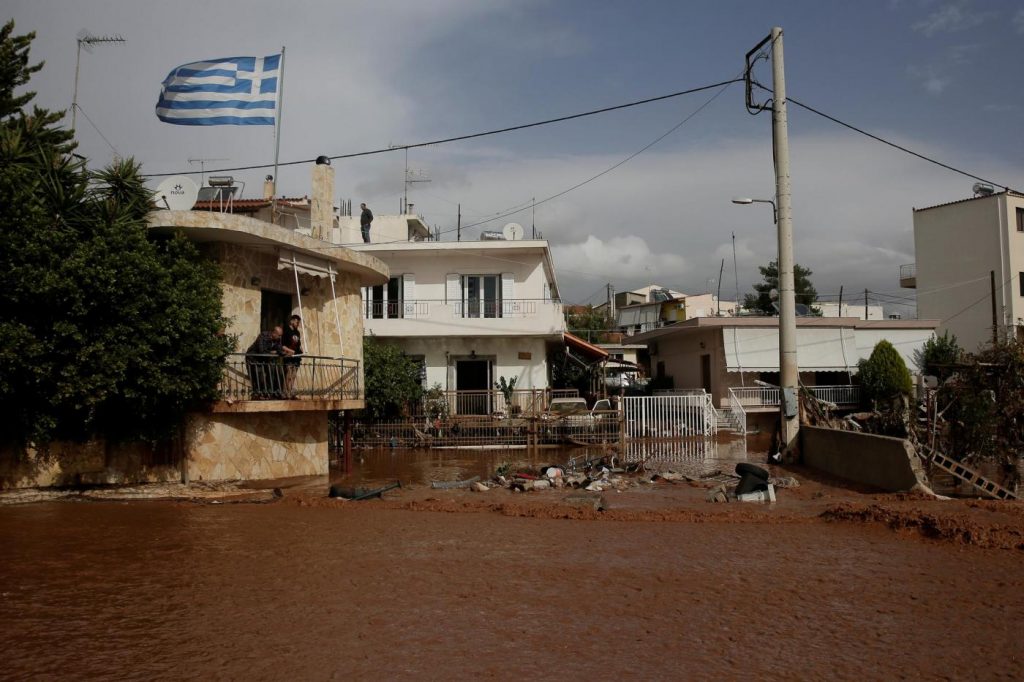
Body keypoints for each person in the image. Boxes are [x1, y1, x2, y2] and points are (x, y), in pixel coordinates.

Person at [245, 325, 286, 399]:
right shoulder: (263, 336)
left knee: (270, 374)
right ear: (274, 333)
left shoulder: (277, 339)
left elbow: (279, 348)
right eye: (279, 335)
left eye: (281, 336)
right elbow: (261, 351)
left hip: (263, 359)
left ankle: (267, 394)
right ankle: (257, 395)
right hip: (252, 358)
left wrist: (283, 352)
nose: (280, 337)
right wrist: (272, 352)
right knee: (256, 376)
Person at [282, 314, 303, 398]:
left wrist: (302, 350)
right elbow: (283, 345)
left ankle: (290, 392)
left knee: (293, 375)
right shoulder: (286, 330)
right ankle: (285, 392)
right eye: (297, 322)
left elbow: (299, 344)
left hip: (296, 357)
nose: (298, 324)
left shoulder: (297, 332)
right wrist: (291, 351)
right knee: (288, 375)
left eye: (298, 323)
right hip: (289, 356)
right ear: (292, 321)